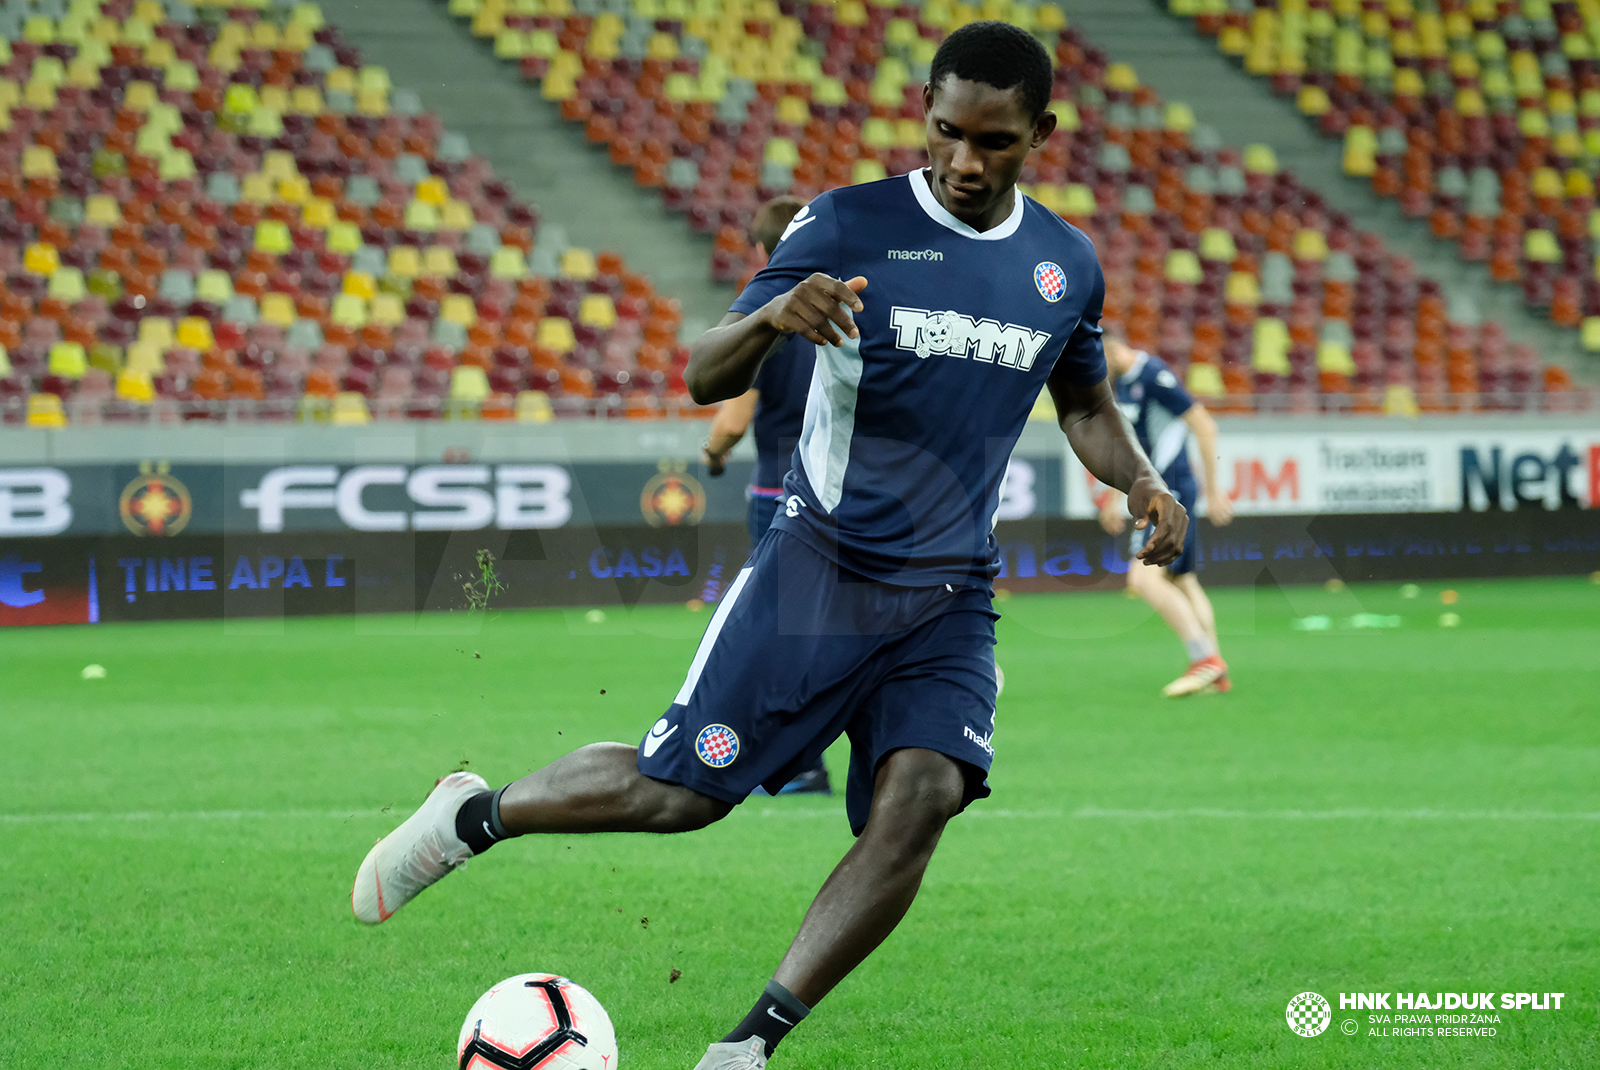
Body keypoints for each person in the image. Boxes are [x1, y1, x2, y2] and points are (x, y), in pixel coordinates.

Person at [351, 22, 1186, 1070]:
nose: (965, 162)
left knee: (922, 794)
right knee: (680, 795)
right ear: (923, 113)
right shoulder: (845, 225)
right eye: (946, 132)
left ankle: (746, 1045)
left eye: (995, 142)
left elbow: (1087, 407)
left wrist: (1144, 478)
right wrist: (774, 317)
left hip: (949, 595)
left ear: (1040, 134)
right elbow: (705, 374)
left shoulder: (1064, 265)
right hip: (819, 570)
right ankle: (475, 816)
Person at [700, 195, 832, 795]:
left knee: (781, 626)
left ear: (761, 251)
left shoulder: (770, 319)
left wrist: (713, 453)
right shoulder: (848, 309)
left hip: (779, 489)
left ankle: (799, 762)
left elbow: (731, 417)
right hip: (845, 488)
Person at [1096, 331, 1233, 697]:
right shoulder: (1123, 383)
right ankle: (1216, 670)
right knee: (1182, 580)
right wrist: (1114, 498)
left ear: (1111, 351)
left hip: (1169, 492)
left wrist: (1214, 490)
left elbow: (1204, 425)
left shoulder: (1154, 376)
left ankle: (1203, 659)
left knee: (1143, 580)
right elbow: (1131, 448)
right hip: (1164, 491)